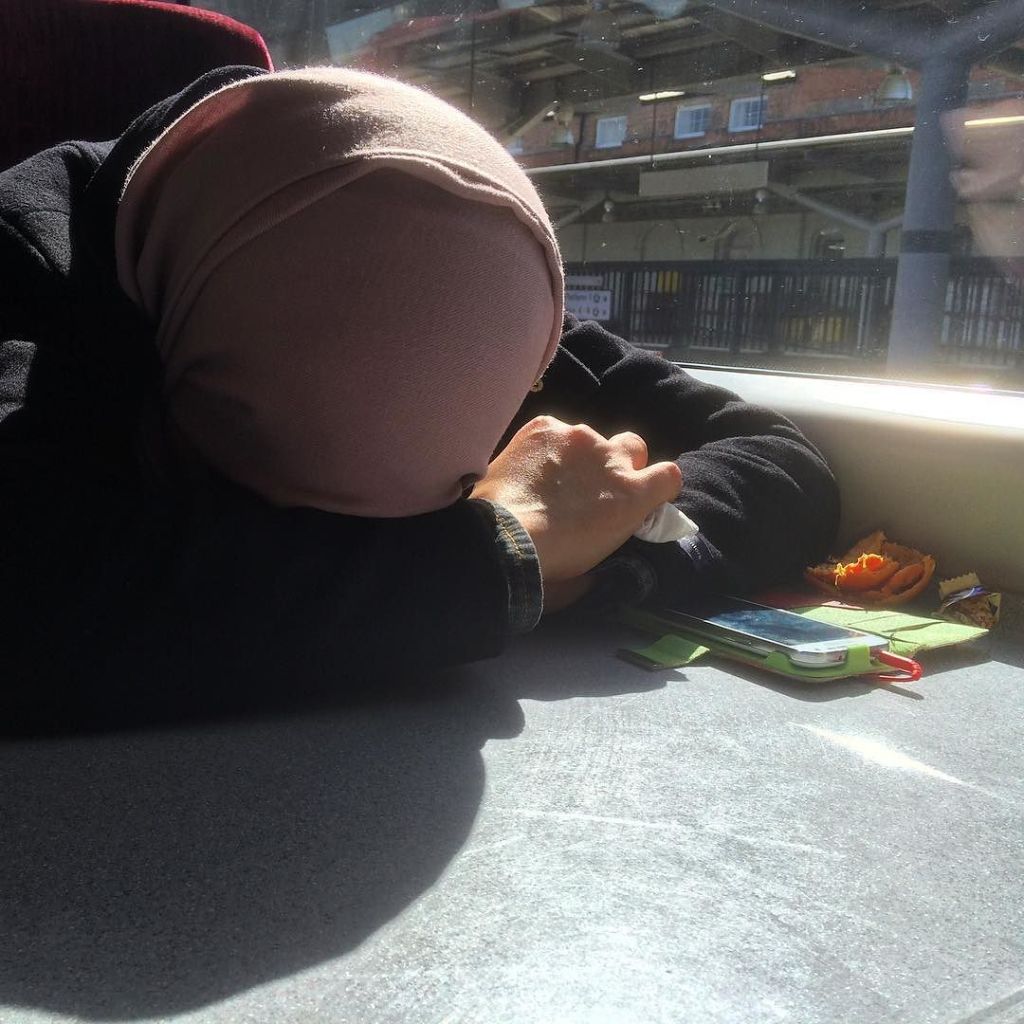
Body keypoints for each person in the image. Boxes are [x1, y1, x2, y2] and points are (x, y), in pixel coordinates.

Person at [0, 65, 839, 727]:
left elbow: (784, 467)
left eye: (432, 501)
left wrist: (573, 549)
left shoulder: (481, 285)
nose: (354, 546)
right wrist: (500, 562)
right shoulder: (25, 264)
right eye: (258, 498)